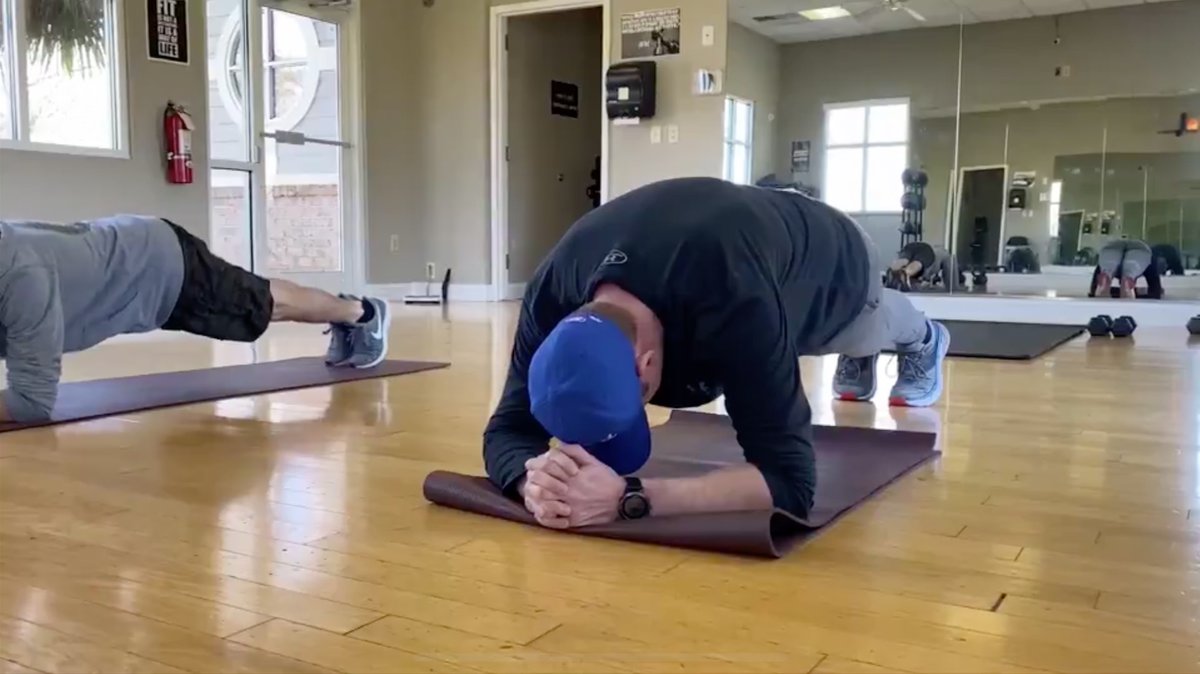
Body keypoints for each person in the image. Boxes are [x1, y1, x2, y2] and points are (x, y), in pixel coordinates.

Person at [481, 177, 950, 530]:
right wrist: (532, 482)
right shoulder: (551, 295)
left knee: (862, 330)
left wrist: (630, 497)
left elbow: (791, 484)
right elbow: (506, 429)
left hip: (834, 262)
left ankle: (925, 338)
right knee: (782, 334)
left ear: (647, 364)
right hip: (743, 235)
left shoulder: (730, 294)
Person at [0, 215, 390, 423]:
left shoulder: (22, 278)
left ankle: (361, 313)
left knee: (266, 304)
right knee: (263, 299)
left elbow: (31, 404)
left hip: (163, 266)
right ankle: (351, 313)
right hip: (131, 250)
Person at [1088, 238, 1163, 299]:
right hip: (1140, 248)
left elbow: (1093, 290)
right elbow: (1156, 292)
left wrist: (1096, 289)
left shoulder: (1102, 268)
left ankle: (1107, 274)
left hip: (1112, 247)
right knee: (1133, 267)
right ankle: (1128, 278)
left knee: (1107, 267)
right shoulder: (1149, 263)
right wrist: (1137, 292)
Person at [885, 241, 953, 292]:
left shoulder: (943, 257)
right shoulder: (904, 258)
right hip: (921, 255)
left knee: (953, 289)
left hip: (931, 257)